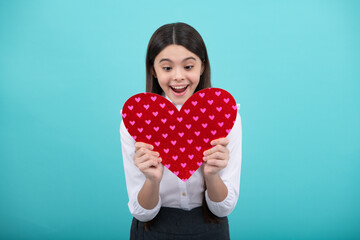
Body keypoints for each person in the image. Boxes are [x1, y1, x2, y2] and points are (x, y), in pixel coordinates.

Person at [120, 22, 242, 239]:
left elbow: (223, 209)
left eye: (188, 66)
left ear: (202, 67)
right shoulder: (136, 120)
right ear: (153, 70)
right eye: (167, 68)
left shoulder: (225, 116)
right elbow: (142, 214)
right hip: (152, 231)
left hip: (210, 230)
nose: (178, 77)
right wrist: (152, 180)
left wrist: (212, 175)